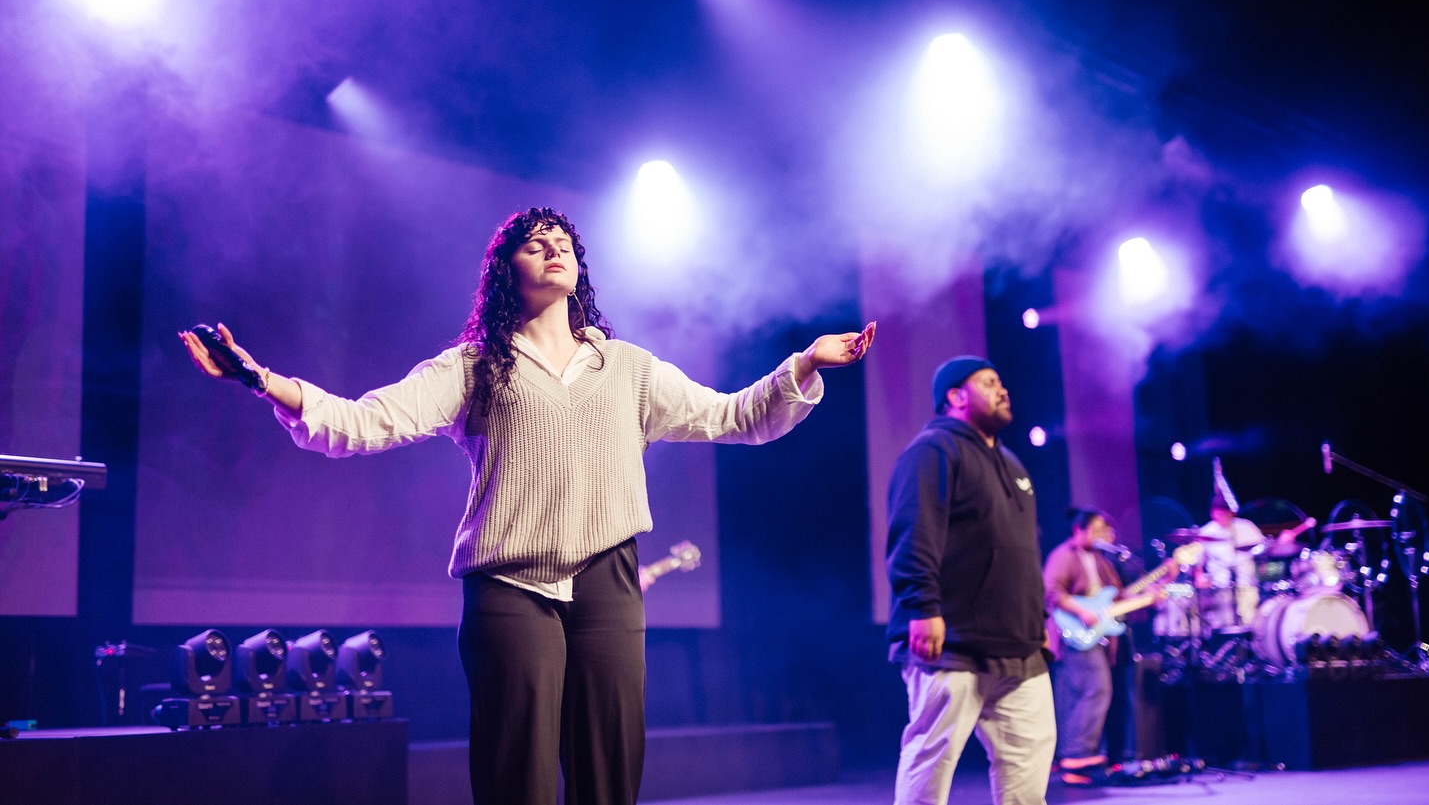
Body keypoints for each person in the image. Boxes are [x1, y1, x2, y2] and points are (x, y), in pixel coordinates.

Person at [180, 206, 876, 805]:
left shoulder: (627, 367)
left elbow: (735, 416)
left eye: (562, 241)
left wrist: (805, 363)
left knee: (610, 772)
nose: (552, 248)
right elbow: (364, 422)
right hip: (509, 588)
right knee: (517, 776)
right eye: (534, 242)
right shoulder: (472, 365)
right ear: (504, 271)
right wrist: (261, 378)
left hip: (607, 580)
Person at [885, 355, 1055, 805]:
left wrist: (1038, 619)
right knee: (930, 764)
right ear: (956, 396)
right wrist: (923, 608)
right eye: (989, 382)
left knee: (1028, 779)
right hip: (952, 644)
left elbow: (1024, 550)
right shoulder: (932, 450)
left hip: (1020, 647)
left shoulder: (1013, 464)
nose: (1003, 389)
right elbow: (913, 532)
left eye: (1002, 382)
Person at [1043, 508, 1164, 775]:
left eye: (1105, 531)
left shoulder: (1101, 560)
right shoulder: (1064, 556)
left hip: (1097, 636)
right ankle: (1076, 755)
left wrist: (1150, 594)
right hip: (1073, 635)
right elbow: (1052, 591)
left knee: (1094, 692)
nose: (1102, 536)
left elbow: (1117, 598)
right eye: (1097, 530)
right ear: (1078, 530)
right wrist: (1081, 611)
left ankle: (1080, 755)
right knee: (1095, 690)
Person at [1196, 495, 1265, 630]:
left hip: (1247, 587)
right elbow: (1197, 563)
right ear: (1212, 513)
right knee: (1224, 625)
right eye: (1219, 512)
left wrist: (1281, 542)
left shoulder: (1246, 527)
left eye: (1226, 512)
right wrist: (1199, 578)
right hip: (1219, 590)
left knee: (1249, 625)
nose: (1222, 516)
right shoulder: (1205, 532)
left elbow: (1265, 549)